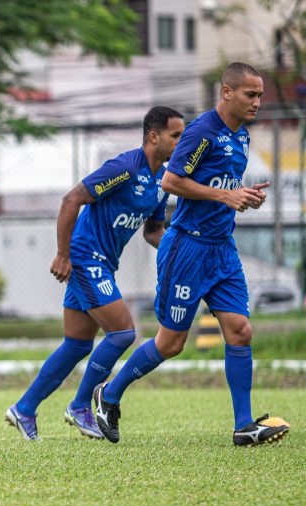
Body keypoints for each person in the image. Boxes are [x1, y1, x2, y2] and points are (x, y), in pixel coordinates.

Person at [93, 62, 290, 446]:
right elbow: (171, 180)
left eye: (260, 95)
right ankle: (109, 394)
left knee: (240, 330)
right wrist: (226, 195)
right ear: (227, 92)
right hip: (187, 246)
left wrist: (243, 196)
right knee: (171, 343)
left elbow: (223, 186)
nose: (257, 102)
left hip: (222, 249)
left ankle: (244, 425)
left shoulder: (242, 137)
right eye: (251, 94)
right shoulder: (202, 131)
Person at [5, 107, 185, 441]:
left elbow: (153, 231)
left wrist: (179, 250)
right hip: (86, 258)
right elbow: (72, 198)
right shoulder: (125, 167)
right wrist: (62, 253)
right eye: (175, 135)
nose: (181, 141)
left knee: (76, 345)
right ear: (153, 136)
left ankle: (24, 409)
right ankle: (80, 406)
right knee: (122, 333)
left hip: (103, 264)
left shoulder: (163, 181)